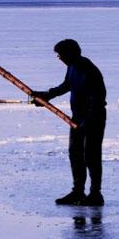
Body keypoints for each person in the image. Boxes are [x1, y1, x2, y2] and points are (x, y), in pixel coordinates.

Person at [32, 39, 107, 206]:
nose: (59, 58)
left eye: (60, 55)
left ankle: (95, 194)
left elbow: (98, 97)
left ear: (70, 53)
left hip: (94, 118)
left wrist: (88, 121)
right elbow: (67, 85)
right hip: (77, 118)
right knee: (75, 154)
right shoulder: (72, 67)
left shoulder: (87, 68)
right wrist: (46, 96)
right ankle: (77, 192)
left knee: (91, 155)